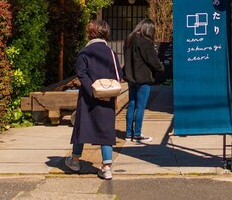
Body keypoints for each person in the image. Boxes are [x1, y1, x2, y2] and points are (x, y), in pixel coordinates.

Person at [66, 19, 120, 180]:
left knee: (82, 128)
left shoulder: (85, 52)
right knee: (106, 131)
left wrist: (91, 89)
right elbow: (119, 76)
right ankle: (106, 167)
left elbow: (81, 74)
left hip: (88, 98)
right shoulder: (111, 53)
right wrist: (107, 91)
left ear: (90, 34)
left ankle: (75, 160)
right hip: (107, 97)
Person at [122, 18, 164, 143]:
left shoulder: (129, 40)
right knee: (140, 107)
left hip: (130, 78)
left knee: (132, 105)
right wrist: (161, 68)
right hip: (143, 78)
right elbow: (153, 60)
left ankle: (128, 134)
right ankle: (137, 134)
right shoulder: (146, 42)